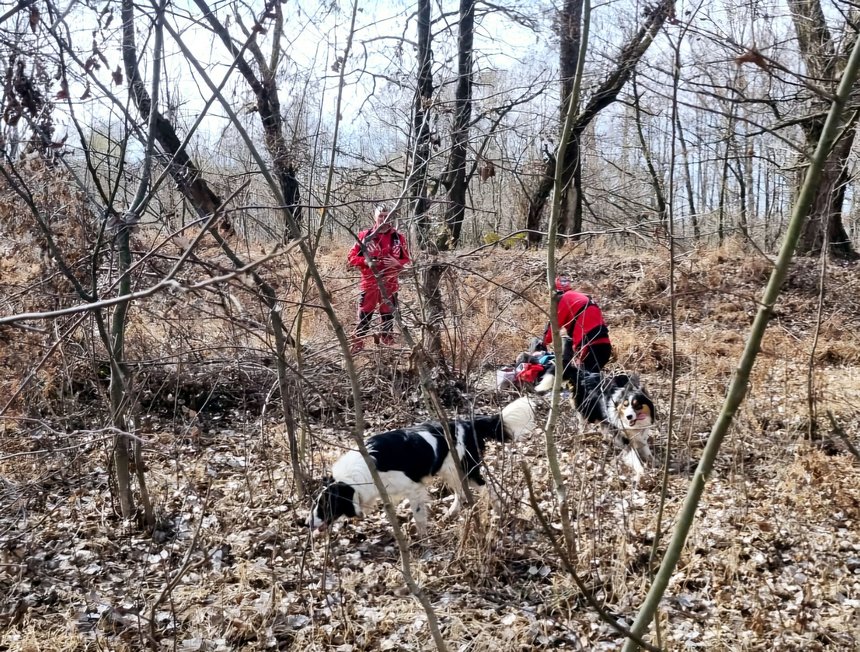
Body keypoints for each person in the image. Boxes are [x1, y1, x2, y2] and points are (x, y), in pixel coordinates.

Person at [347, 205, 411, 353]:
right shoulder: (364, 236)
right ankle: (358, 345)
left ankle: (388, 349)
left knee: (388, 316)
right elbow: (351, 258)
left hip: (390, 284)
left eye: (387, 216)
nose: (384, 219)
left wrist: (398, 263)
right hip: (369, 283)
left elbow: (407, 261)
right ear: (374, 217)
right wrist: (366, 262)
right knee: (364, 316)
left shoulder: (398, 238)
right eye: (381, 216)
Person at [542, 275, 611, 373]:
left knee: (583, 383)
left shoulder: (564, 299)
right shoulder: (582, 298)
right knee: (592, 380)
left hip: (590, 348)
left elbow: (554, 326)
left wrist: (543, 344)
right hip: (605, 346)